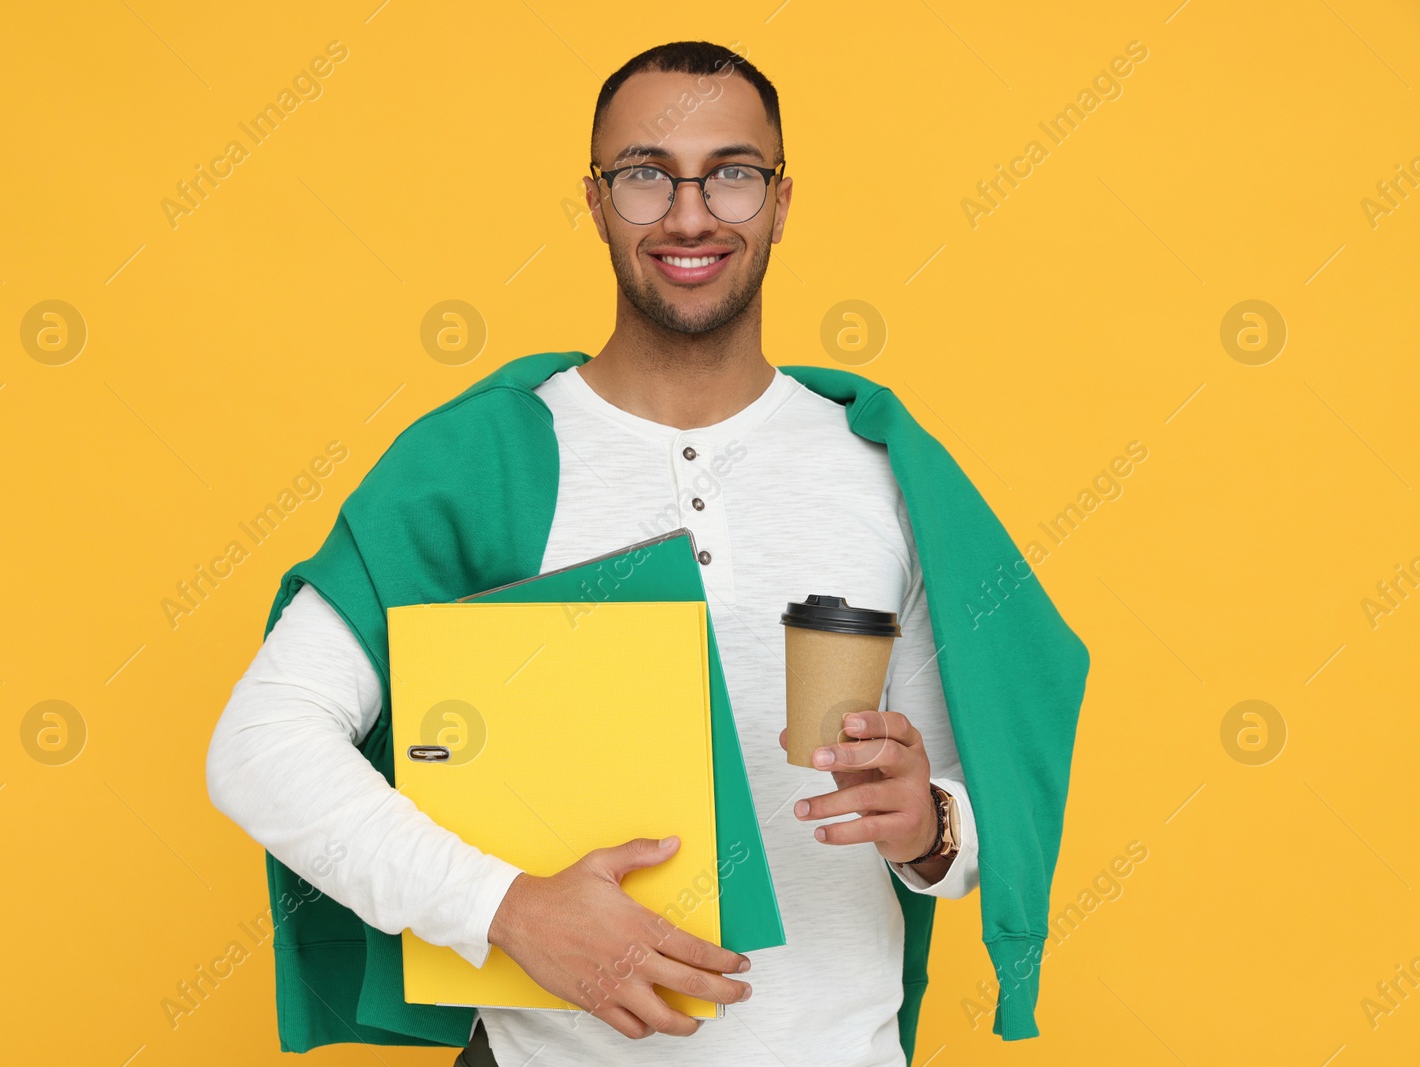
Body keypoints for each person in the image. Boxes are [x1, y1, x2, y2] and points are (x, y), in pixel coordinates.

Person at [210, 41, 1032, 1067]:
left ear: (780, 199)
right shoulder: (477, 463)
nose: (690, 214)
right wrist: (502, 906)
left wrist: (929, 827)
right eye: (645, 173)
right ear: (595, 201)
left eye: (731, 172)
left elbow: (977, 797)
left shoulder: (881, 470)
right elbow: (260, 745)